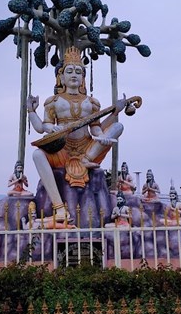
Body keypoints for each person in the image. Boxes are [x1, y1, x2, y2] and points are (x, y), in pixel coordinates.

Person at [27, 46, 130, 220]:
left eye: (78, 72)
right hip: (62, 149)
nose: (74, 75)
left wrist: (105, 131)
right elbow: (43, 127)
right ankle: (59, 208)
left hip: (87, 149)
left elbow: (95, 128)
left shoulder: (92, 102)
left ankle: (85, 160)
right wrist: (33, 112)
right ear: (61, 77)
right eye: (69, 71)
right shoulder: (53, 101)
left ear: (83, 77)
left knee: (117, 127)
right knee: (37, 155)